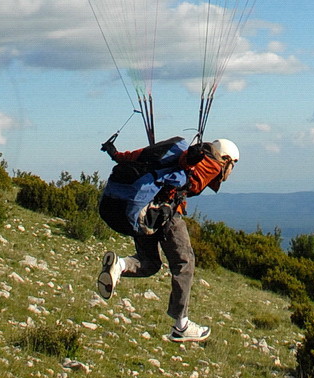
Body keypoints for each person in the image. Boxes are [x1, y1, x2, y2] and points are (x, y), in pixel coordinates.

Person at [95, 135, 239, 342]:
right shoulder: (212, 163)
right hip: (167, 213)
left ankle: (118, 265)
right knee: (184, 262)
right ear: (227, 159)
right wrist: (190, 161)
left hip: (143, 209)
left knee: (150, 263)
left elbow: (135, 157)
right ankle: (181, 325)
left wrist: (114, 153)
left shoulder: (173, 149)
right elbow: (192, 182)